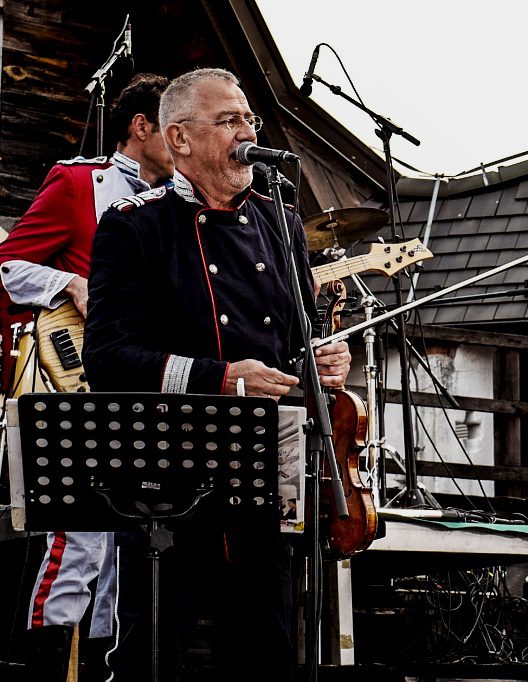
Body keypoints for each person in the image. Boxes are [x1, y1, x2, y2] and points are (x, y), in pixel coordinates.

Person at [82, 68, 352, 680]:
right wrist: (219, 378)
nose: (247, 133)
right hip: (163, 483)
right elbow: (106, 358)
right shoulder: (135, 223)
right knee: (152, 657)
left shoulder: (281, 221)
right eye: (228, 121)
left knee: (267, 653)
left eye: (248, 120)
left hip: (262, 477)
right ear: (178, 138)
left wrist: (320, 362)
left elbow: (291, 342)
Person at [0, 73, 173, 682]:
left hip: (151, 386)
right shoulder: (79, 183)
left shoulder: (186, 204)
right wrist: (67, 282)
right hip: (82, 379)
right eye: (172, 126)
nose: (184, 140)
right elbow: (7, 265)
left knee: (131, 544)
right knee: (80, 535)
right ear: (141, 126)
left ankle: (104, 669)